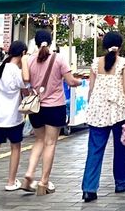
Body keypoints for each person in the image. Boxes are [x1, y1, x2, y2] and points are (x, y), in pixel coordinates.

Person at [81, 32, 125, 202]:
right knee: (121, 150)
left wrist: (91, 105)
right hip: (118, 111)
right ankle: (122, 182)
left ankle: (89, 189)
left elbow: (91, 89)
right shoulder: (124, 63)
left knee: (94, 150)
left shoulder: (95, 63)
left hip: (97, 112)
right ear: (120, 46)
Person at [22, 29, 82, 195]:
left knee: (39, 141)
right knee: (50, 143)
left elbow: (25, 82)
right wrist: (79, 82)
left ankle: (29, 173)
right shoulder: (59, 59)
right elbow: (70, 81)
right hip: (55, 107)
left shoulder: (29, 60)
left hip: (35, 108)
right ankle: (43, 182)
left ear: (35, 43)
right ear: (51, 42)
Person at [0, 41, 28, 195]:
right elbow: (26, 81)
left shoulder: (2, 66)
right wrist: (24, 62)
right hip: (12, 117)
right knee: (16, 147)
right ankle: (11, 182)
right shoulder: (15, 71)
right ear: (23, 53)